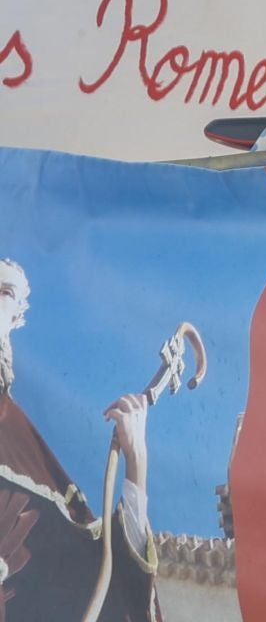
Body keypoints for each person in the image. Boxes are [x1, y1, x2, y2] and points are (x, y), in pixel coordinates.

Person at [0, 259, 161, 622]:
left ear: (15, 319)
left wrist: (136, 459)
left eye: (4, 293)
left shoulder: (20, 445)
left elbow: (108, 579)